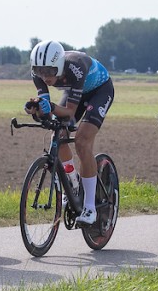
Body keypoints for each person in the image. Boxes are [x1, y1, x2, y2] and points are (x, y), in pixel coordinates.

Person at [23, 40, 114, 226]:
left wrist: (52, 107)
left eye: (49, 71)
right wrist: (37, 109)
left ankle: (90, 207)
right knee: (59, 134)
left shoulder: (76, 67)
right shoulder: (38, 74)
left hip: (99, 91)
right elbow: (48, 109)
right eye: (40, 71)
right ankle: (72, 180)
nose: (44, 76)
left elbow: (70, 112)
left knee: (82, 141)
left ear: (58, 65)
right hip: (75, 91)